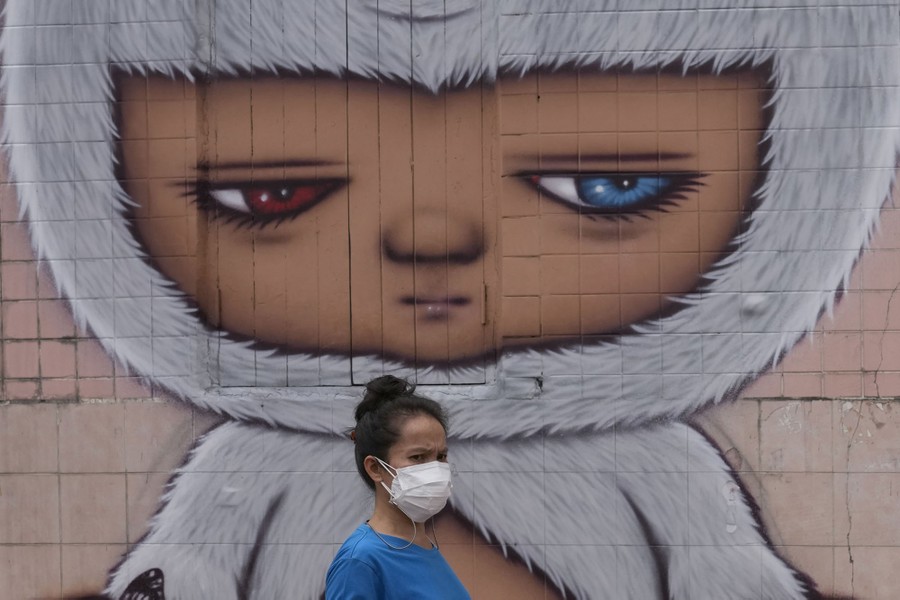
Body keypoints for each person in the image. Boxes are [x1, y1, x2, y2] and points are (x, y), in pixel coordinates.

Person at [2, 1, 897, 598]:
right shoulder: (298, 505)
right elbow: (186, 566)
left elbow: (722, 568)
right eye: (272, 194)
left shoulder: (657, 467)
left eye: (611, 182)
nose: (432, 238)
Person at [325, 375, 469, 599]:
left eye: (441, 456)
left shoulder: (424, 546)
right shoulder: (361, 561)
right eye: (418, 457)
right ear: (375, 468)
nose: (435, 469)